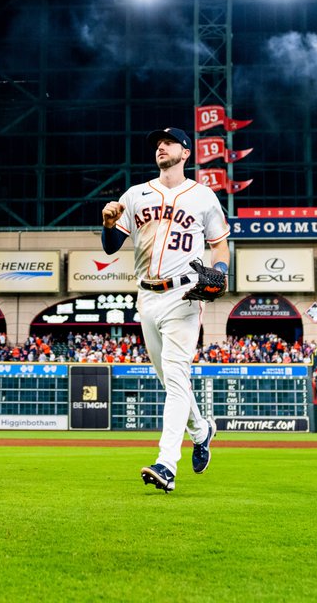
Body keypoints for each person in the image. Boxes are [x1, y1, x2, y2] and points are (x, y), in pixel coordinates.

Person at [101, 127, 230, 493]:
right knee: (169, 379)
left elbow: (220, 246)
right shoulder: (135, 194)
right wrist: (108, 224)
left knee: (175, 376)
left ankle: (166, 464)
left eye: (169, 142)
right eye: (157, 143)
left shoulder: (203, 196)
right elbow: (111, 246)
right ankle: (201, 430)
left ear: (185, 153)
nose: (160, 146)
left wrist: (220, 271)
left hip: (184, 295)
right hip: (146, 296)